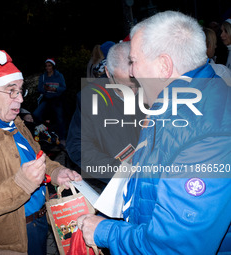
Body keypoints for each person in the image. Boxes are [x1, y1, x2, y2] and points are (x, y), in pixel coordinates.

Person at [78, 11, 231, 254]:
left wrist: (104, 231)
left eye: (134, 60)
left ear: (163, 66)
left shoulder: (208, 134)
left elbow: (177, 247)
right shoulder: (173, 107)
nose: (131, 71)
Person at [0, 50, 81, 255]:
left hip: (37, 224)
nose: (19, 99)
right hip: (10, 243)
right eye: (11, 91)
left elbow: (37, 158)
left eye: (20, 91)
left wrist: (55, 173)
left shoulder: (11, 121)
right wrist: (20, 184)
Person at [66, 42, 144, 188]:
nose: (132, 93)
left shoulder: (154, 88)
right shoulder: (90, 98)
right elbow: (78, 146)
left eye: (136, 85)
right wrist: (121, 172)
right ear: (108, 73)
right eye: (124, 88)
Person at [33, 58, 66, 145]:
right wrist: (45, 89)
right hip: (46, 98)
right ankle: (43, 131)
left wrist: (54, 89)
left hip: (56, 99)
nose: (48, 68)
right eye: (46, 66)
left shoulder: (59, 76)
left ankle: (62, 138)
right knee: (36, 114)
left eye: (49, 66)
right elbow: (39, 88)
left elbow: (63, 87)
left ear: (53, 66)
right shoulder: (43, 77)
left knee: (60, 118)